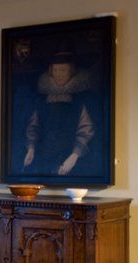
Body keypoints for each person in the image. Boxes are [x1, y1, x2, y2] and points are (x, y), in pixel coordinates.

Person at [22, 44, 97, 176]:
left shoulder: (83, 98)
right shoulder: (41, 98)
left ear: (71, 71)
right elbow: (33, 126)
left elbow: (86, 130)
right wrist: (31, 149)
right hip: (43, 157)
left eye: (63, 70)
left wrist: (74, 155)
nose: (58, 74)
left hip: (71, 157)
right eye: (55, 70)